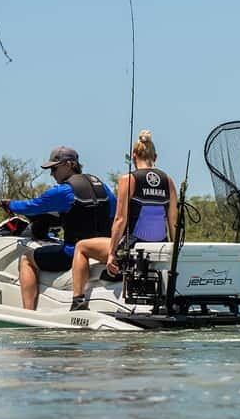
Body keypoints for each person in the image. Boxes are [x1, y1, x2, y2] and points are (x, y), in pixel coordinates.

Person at [69, 130, 177, 310]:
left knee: (81, 247)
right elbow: (173, 221)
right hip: (160, 246)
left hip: (133, 248)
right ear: (155, 157)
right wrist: (173, 254)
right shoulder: (168, 180)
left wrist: (112, 254)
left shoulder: (129, 179)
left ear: (133, 156)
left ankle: (78, 301)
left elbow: (120, 219)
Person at [1, 146, 115, 311]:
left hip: (72, 254)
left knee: (27, 259)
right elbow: (115, 214)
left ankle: (28, 312)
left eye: (54, 168)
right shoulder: (102, 187)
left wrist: (9, 205)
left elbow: (32, 206)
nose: (51, 174)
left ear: (68, 165)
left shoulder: (64, 191)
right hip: (101, 251)